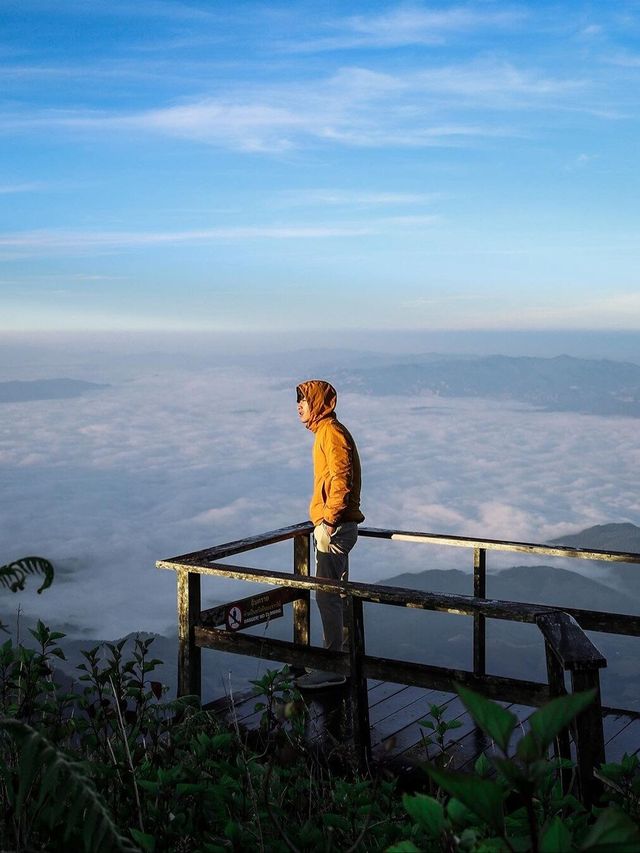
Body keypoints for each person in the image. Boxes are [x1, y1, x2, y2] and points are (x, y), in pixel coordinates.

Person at [294, 379, 364, 689]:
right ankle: (342, 661)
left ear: (319, 403)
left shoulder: (331, 433)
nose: (299, 406)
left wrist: (330, 520)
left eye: (304, 400)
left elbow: (341, 476)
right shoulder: (327, 432)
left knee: (327, 596)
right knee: (335, 595)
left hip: (335, 528)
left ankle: (334, 666)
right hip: (336, 526)